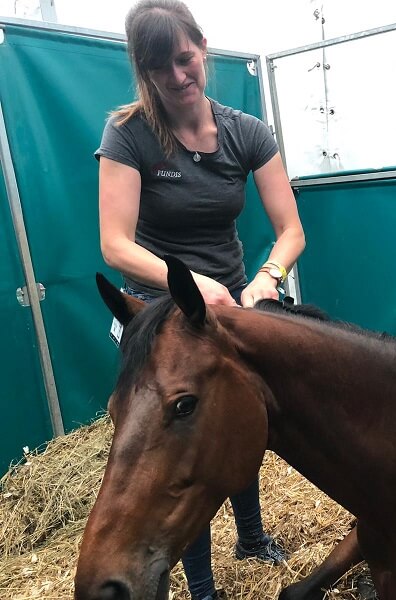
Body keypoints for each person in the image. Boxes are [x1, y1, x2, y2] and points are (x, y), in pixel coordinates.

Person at [94, 1, 305, 599]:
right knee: (177, 452)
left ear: (202, 47)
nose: (179, 77)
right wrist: (186, 280)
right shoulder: (129, 133)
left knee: (236, 426)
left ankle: (252, 535)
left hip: (232, 304)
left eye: (185, 59)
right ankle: (202, 585)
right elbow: (115, 244)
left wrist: (266, 278)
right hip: (161, 308)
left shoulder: (246, 132)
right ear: (145, 71)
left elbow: (291, 230)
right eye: (162, 68)